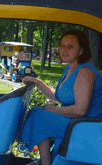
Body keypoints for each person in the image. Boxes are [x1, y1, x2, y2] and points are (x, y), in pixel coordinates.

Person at [18, 30, 102, 165]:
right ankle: (45, 160)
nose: (64, 50)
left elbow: (80, 110)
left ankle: (45, 162)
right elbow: (58, 98)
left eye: (70, 46)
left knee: (40, 116)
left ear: (81, 50)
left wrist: (54, 110)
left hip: (86, 126)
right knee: (36, 112)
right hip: (76, 122)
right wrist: (37, 82)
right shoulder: (70, 68)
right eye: (62, 46)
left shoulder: (84, 72)